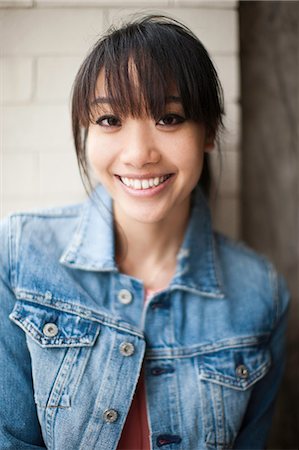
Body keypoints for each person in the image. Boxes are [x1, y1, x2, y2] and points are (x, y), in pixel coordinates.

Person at [0, 14, 290, 450]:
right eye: (110, 119)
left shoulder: (260, 295)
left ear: (209, 131)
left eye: (169, 118)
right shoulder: (21, 256)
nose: (138, 154)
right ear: (86, 129)